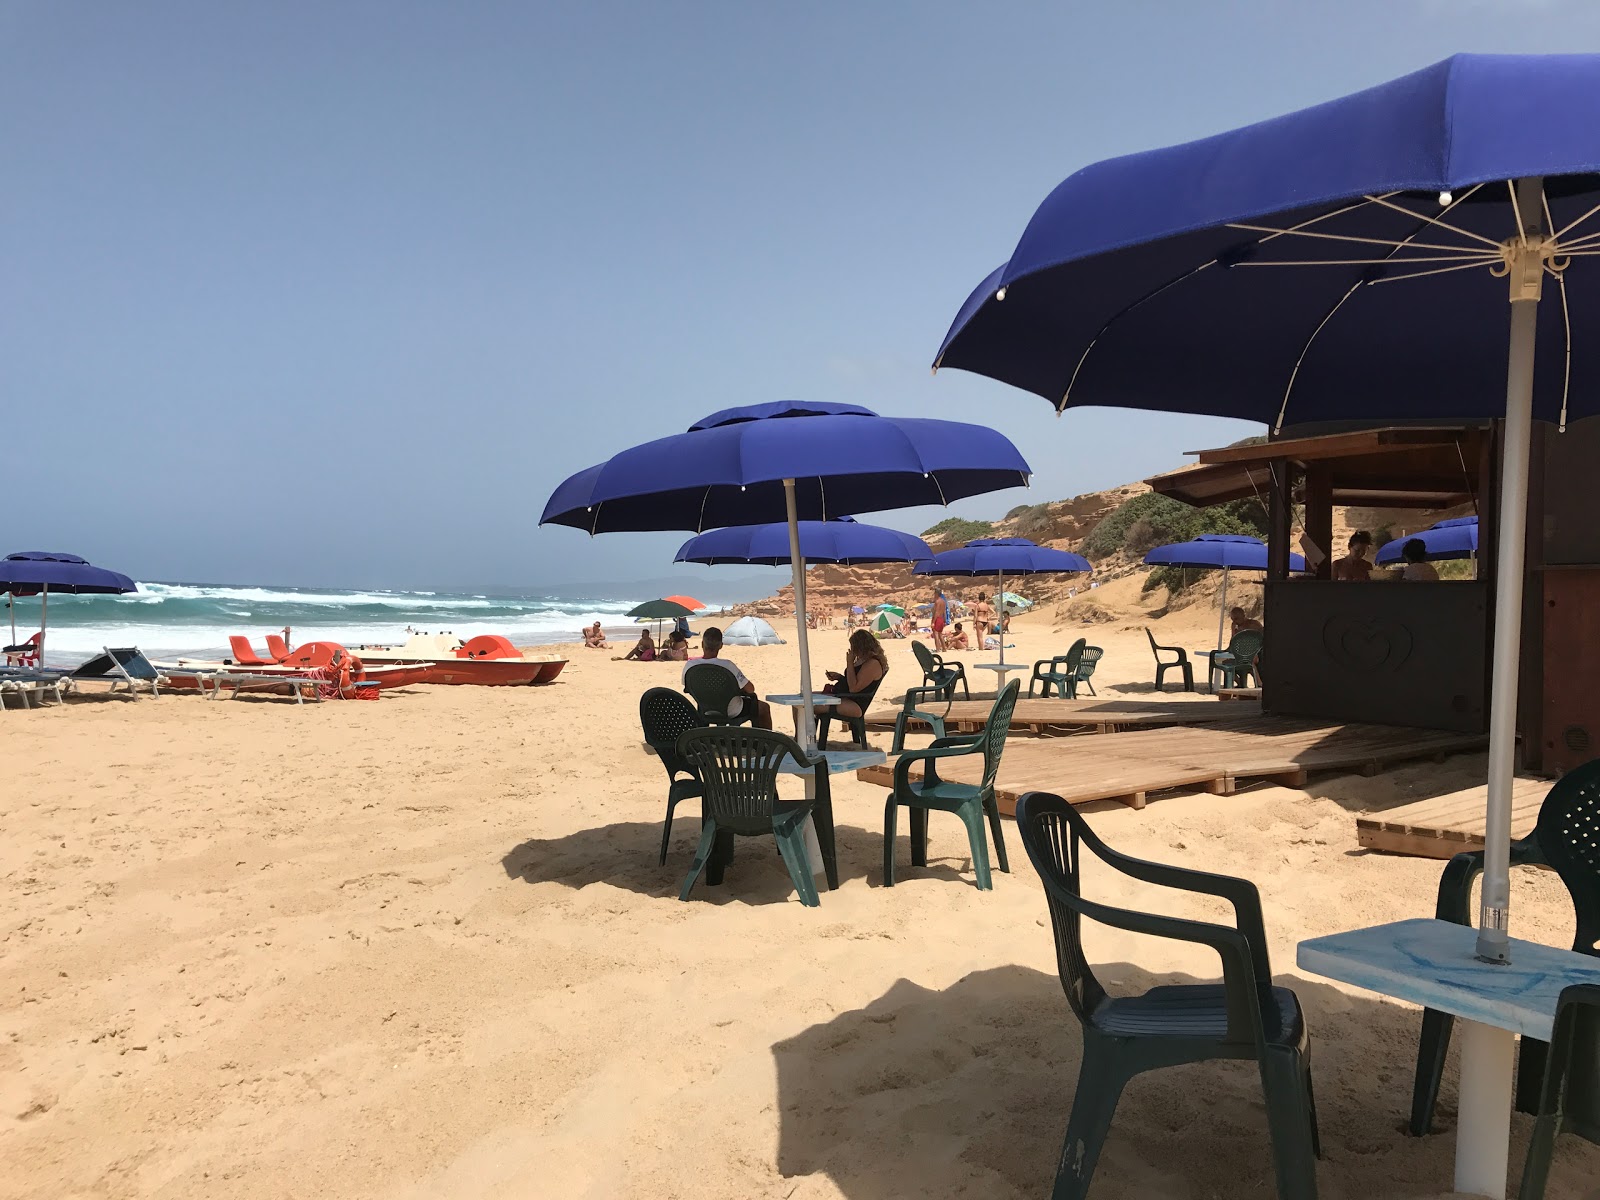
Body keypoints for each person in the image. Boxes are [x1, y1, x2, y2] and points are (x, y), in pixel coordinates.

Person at [685, 627, 772, 728]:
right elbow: (750, 689)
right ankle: (765, 742)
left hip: (705, 708)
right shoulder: (728, 666)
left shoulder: (690, 666)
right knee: (764, 708)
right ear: (721, 646)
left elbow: (687, 687)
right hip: (731, 710)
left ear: (702, 644)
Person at [822, 629, 889, 729]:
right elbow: (853, 681)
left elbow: (854, 688)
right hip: (843, 697)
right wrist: (840, 677)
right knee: (802, 699)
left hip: (854, 704)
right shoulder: (863, 660)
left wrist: (849, 663)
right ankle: (799, 738)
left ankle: (802, 740)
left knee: (805, 705)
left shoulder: (872, 663)